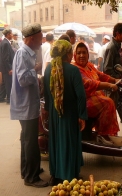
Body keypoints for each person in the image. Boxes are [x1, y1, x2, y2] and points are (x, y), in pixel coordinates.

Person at [43, 40, 87, 184]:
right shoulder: (73, 70)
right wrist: (82, 115)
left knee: (56, 143)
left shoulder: (49, 69)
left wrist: (49, 111)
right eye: (70, 52)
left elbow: (47, 94)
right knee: (69, 142)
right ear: (67, 54)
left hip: (55, 113)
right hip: (70, 113)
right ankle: (70, 175)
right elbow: (80, 95)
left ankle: (55, 174)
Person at [10, 23, 48, 187]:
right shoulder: (23, 54)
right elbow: (23, 79)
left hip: (28, 104)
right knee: (30, 141)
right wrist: (36, 70)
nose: (41, 42)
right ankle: (31, 177)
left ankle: (29, 170)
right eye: (40, 39)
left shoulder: (27, 53)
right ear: (32, 39)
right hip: (25, 105)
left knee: (27, 139)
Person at [71, 42, 119, 144]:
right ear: (74, 55)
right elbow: (89, 83)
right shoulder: (75, 69)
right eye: (79, 53)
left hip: (93, 97)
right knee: (108, 103)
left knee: (108, 100)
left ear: (88, 54)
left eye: (84, 52)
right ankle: (103, 135)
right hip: (83, 102)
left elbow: (100, 75)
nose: (82, 55)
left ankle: (103, 132)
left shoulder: (89, 65)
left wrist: (114, 80)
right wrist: (108, 85)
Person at [0, 29, 15, 104]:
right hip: (7, 68)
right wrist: (9, 69)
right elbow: (5, 57)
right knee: (8, 83)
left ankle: (2, 97)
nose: (12, 35)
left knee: (5, 83)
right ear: (8, 34)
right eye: (11, 34)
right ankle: (9, 99)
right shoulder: (5, 43)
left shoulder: (5, 42)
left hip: (4, 67)